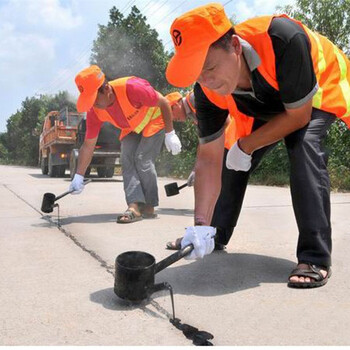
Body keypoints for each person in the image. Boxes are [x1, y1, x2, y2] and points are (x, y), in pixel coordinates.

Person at [165, 3, 350, 288]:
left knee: (303, 145)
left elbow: (298, 116)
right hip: (266, 103)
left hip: (316, 88)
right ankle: (215, 234)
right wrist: (199, 224)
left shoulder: (283, 39)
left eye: (211, 68)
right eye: (198, 74)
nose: (208, 81)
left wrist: (248, 145)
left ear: (235, 46)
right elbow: (208, 159)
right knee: (229, 157)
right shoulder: (206, 91)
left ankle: (315, 257)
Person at [70, 65, 182, 223]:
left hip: (154, 120)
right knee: (127, 158)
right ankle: (134, 207)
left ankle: (149, 205)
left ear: (107, 89)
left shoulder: (132, 87)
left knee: (142, 159)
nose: (93, 104)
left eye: (95, 98)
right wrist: (78, 176)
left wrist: (170, 134)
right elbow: (88, 145)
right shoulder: (94, 111)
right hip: (132, 127)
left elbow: (163, 102)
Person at [166, 91, 253, 251]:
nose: (173, 119)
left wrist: (212, 160)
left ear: (177, 104)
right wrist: (196, 170)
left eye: (171, 112)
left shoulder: (196, 100)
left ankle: (208, 236)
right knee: (229, 188)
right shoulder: (193, 110)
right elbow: (205, 141)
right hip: (233, 140)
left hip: (233, 140)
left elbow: (224, 122)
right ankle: (216, 236)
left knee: (224, 188)